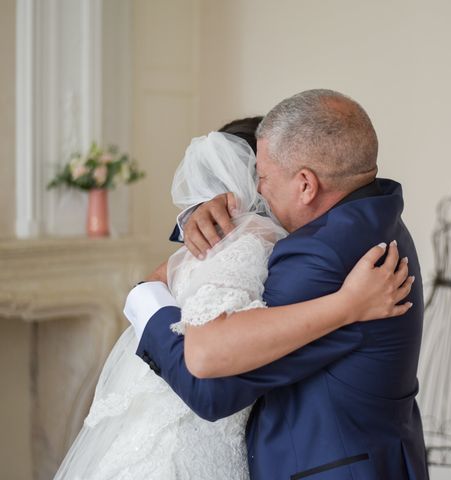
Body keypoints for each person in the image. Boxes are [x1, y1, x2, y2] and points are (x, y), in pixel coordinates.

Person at [54, 122, 412, 479]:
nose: (261, 186)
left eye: (266, 177)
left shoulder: (297, 253)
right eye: (259, 176)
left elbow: (210, 386)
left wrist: (143, 294)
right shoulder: (265, 238)